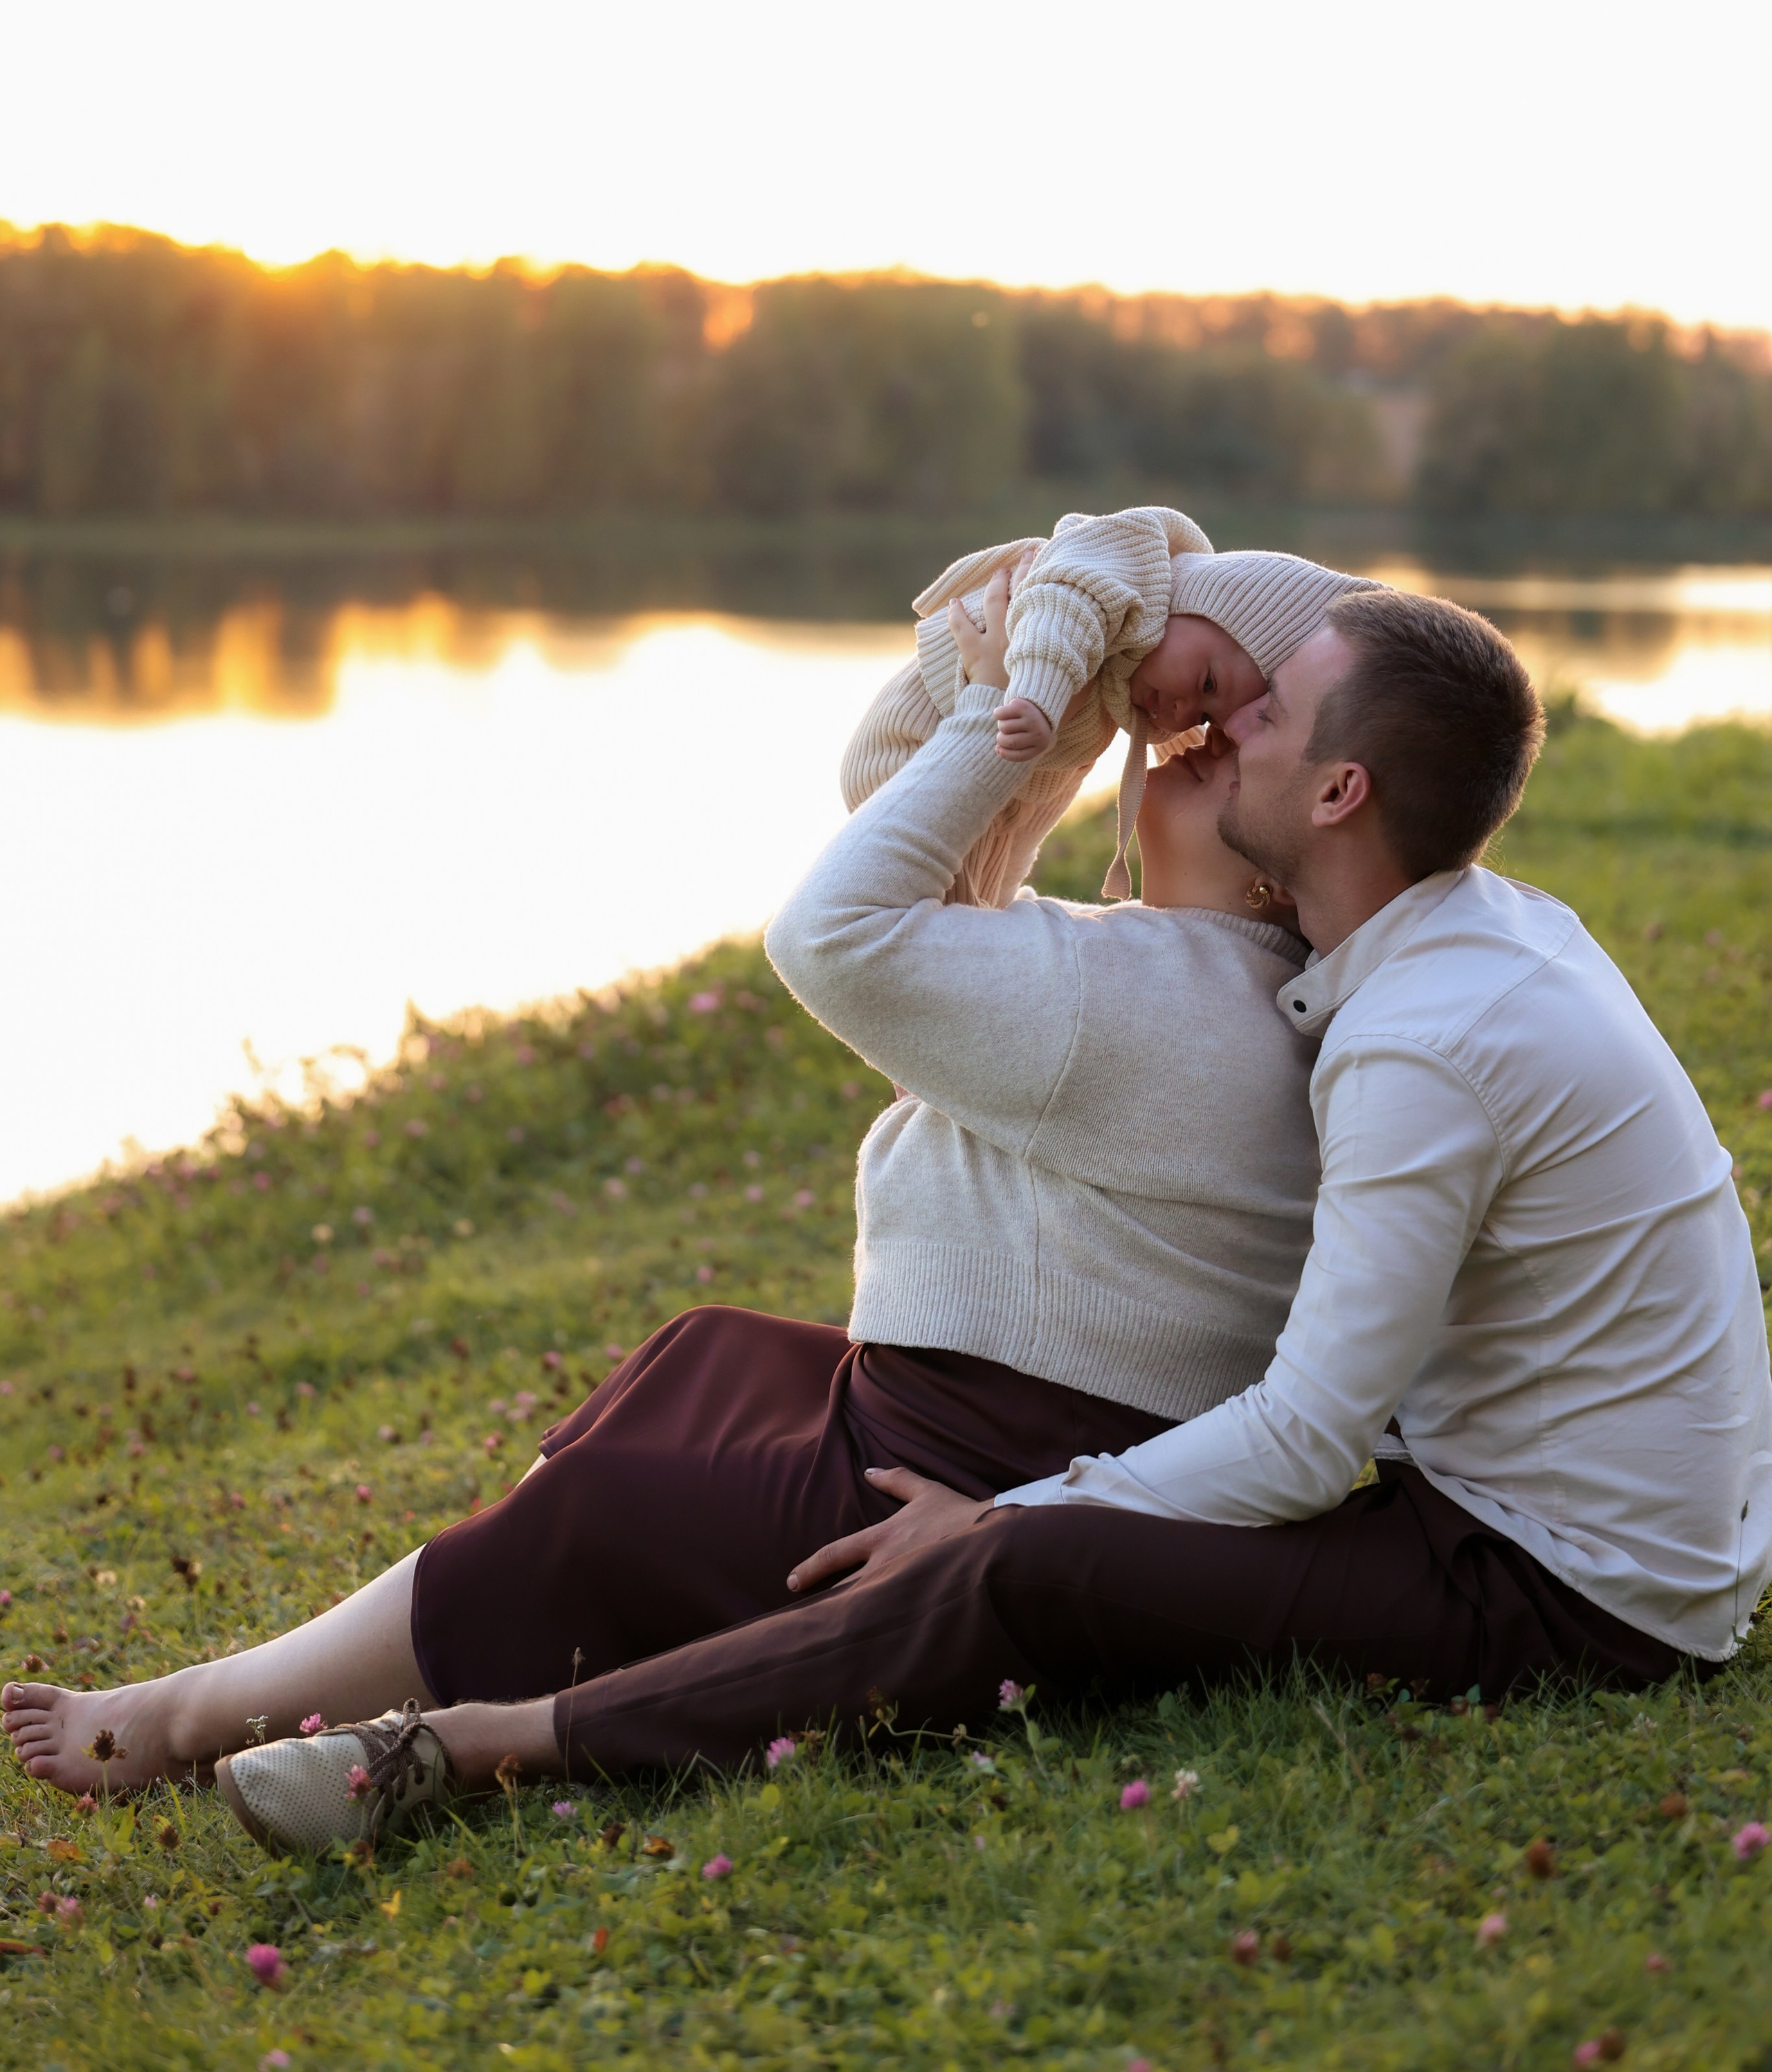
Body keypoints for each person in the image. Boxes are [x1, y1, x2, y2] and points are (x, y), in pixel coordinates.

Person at [163, 580, 1765, 1805]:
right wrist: (1130, 599)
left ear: (1340, 797)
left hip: (1562, 1583)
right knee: (765, 1390)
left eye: (1264, 716)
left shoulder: (1417, 1038)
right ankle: (515, 1640)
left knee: (1007, 1568)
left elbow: (1309, 1430)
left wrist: (1013, 1507)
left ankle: (501, 1741)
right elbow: (1391, 681)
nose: (1220, 725)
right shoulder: (1466, 924)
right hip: (1540, 1497)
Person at [3, 542, 1365, 1840]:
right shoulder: (1209, 977)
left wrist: (1010, 714)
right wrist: (1077, 686)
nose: (1187, 742)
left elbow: (834, 926)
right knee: (708, 1358)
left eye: (1225, 743)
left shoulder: (1147, 994)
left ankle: (186, 1718)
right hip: (1031, 1421)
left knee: (604, 1515)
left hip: (962, 1473)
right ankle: (482, 1589)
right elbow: (923, 862)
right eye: (1195, 722)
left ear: (1295, 840)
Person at [843, 504, 1373, 905]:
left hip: (1021, 773)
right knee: (941, 908)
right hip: (918, 744)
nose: (1186, 711)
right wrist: (1036, 697)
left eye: (1207, 716)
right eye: (1207, 683)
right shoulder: (1130, 565)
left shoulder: (1158, 667)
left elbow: (1198, 742)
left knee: (993, 886)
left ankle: (986, 914)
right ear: (1201, 601)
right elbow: (1060, 610)